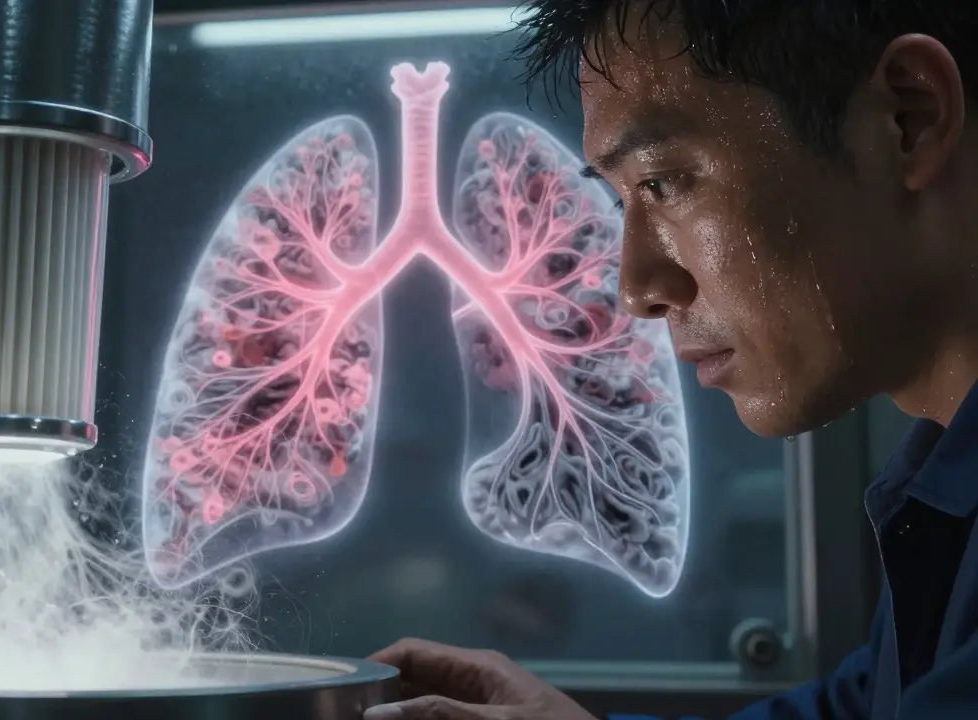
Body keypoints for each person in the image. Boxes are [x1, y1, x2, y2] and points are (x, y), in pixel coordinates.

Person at [365, 1, 978, 718]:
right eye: (623, 199)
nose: (637, 289)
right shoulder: (944, 492)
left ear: (908, 118)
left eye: (662, 182)